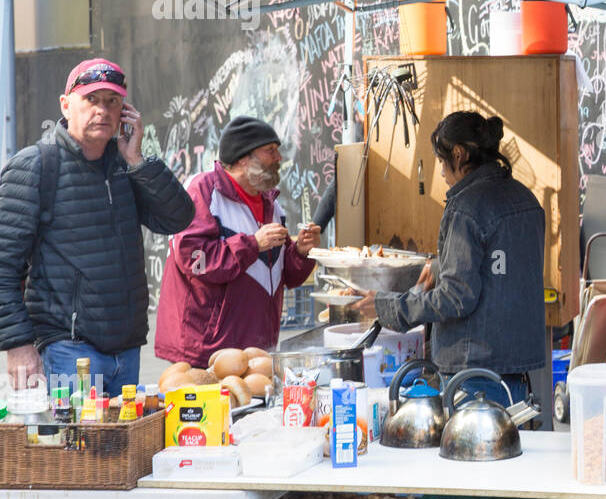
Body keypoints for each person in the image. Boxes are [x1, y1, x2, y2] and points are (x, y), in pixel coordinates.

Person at [0, 59, 195, 395]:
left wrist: (137, 160)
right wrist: (17, 345)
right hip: (67, 351)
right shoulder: (35, 166)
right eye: (92, 99)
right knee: (76, 448)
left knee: (122, 448)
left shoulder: (126, 165)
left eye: (113, 101)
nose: (103, 110)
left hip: (128, 351)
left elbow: (178, 218)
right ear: (66, 104)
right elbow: (3, 266)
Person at [356, 111, 546, 406]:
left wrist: (389, 306)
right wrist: (442, 265)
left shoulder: (465, 208)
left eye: (442, 162)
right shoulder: (526, 200)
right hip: (517, 372)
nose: (442, 172)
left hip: (473, 373)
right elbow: (499, 267)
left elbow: (456, 297)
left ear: (459, 155)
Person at [155, 116, 320, 365]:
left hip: (257, 352)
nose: (279, 158)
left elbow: (285, 276)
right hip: (207, 354)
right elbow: (194, 260)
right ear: (244, 158)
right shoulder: (203, 190)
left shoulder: (271, 205)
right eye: (270, 151)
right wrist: (253, 244)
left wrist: (301, 253)